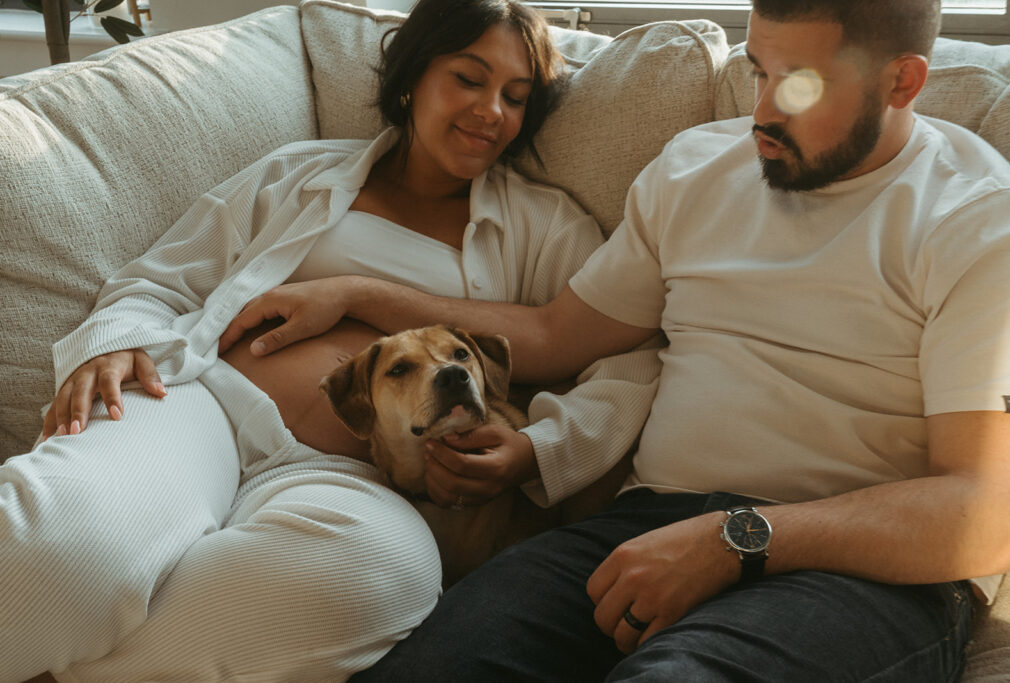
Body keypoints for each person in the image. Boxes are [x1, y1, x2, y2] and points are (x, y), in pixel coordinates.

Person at [233, 0, 1010, 680]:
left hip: (855, 574)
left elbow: (987, 512)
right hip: (642, 529)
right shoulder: (696, 168)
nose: (762, 112)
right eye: (757, 71)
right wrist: (358, 293)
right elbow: (553, 336)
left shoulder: (982, 224)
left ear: (903, 82)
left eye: (800, 84)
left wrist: (736, 539)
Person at [0, 1, 661, 680]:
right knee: (60, 549)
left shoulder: (542, 225)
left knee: (382, 575)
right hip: (203, 403)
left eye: (516, 97)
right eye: (469, 78)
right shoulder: (300, 175)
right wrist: (112, 340)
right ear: (413, 74)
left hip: (354, 478)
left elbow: (628, 357)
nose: (492, 110)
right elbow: (162, 279)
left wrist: (538, 450)